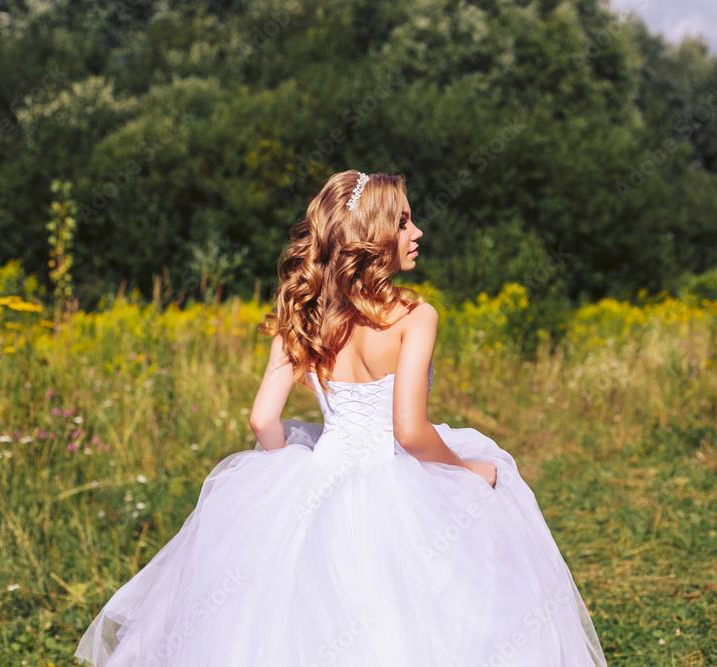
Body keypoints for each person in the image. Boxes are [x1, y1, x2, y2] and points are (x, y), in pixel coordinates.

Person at [74, 170, 608, 666]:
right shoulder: (415, 316)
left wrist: (287, 475)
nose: (417, 231)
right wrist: (467, 471)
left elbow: (263, 420)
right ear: (373, 236)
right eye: (402, 221)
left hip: (320, 475)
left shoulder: (302, 314)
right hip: (399, 478)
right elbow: (410, 432)